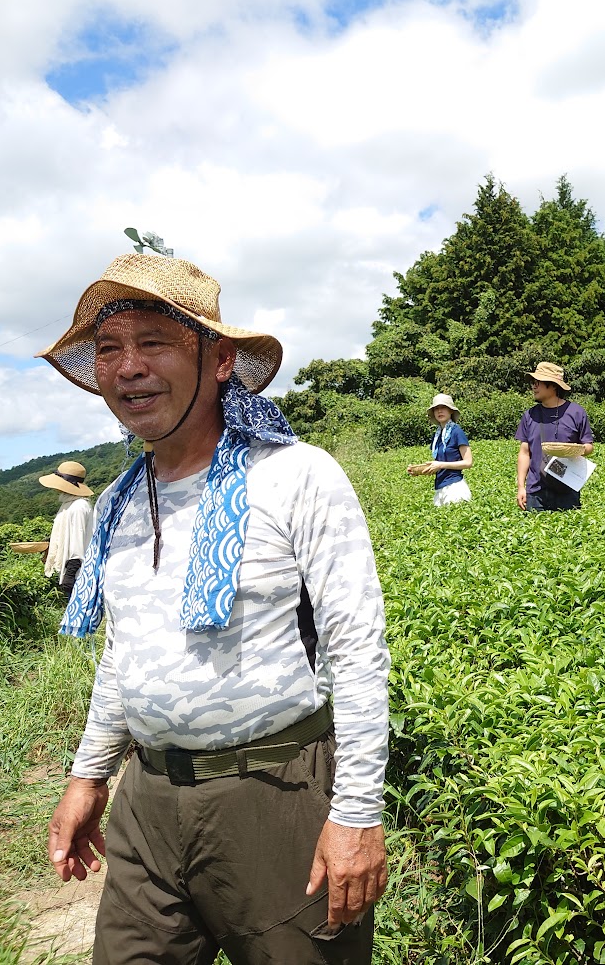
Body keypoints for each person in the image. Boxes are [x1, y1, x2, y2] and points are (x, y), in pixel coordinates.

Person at [37, 254, 390, 963]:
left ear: (220, 359)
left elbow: (358, 650)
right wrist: (88, 776)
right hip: (147, 801)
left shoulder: (295, 475)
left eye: (155, 343)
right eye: (109, 350)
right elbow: (123, 651)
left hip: (274, 792)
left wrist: (355, 814)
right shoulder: (118, 503)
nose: (128, 367)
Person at [515, 361, 594, 512]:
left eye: (538, 382)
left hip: (567, 488)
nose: (534, 386)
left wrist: (573, 450)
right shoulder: (530, 415)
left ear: (553, 385)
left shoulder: (576, 412)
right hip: (535, 491)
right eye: (533, 382)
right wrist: (520, 487)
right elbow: (524, 452)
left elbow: (589, 446)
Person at [39, 460, 95, 596]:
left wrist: (70, 574)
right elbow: (67, 533)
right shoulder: (69, 503)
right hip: (75, 570)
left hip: (78, 573)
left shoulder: (78, 507)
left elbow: (78, 542)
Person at [407, 393, 472, 506]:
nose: (439, 411)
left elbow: (468, 462)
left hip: (455, 487)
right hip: (440, 488)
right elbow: (439, 464)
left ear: (451, 411)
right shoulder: (437, 436)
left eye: (443, 408)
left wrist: (440, 465)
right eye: (436, 409)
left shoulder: (457, 432)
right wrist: (420, 470)